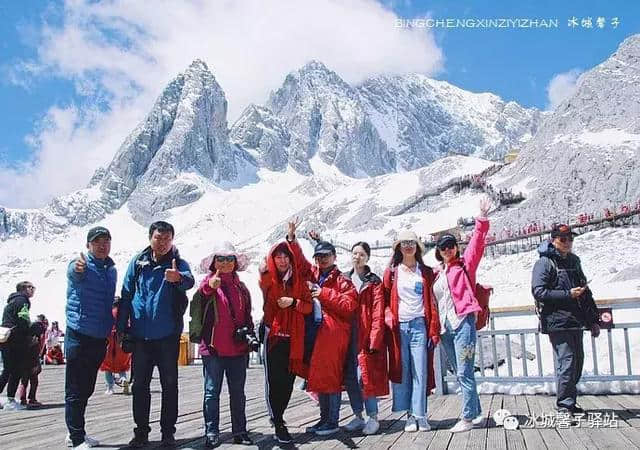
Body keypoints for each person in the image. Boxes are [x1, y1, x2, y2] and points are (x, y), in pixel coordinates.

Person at [117, 221, 194, 448]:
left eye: (167, 238)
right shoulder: (138, 262)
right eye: (158, 238)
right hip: (140, 336)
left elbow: (190, 281)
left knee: (170, 385)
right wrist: (122, 328)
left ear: (172, 240)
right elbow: (126, 294)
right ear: (150, 238)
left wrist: (177, 278)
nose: (162, 243)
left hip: (168, 336)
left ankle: (168, 434)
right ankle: (141, 433)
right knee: (140, 385)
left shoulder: (177, 263)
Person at [287, 220, 358, 436]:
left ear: (334, 257)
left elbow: (349, 306)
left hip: (333, 334)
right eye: (318, 256)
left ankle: (332, 421)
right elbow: (298, 262)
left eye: (326, 256)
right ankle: (324, 419)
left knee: (331, 377)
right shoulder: (314, 274)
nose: (321, 259)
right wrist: (292, 238)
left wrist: (324, 294)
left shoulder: (343, 280)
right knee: (320, 377)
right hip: (318, 333)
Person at [189, 242, 255, 448]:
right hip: (212, 349)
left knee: (238, 393)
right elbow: (199, 300)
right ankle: (211, 432)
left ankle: (240, 431)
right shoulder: (207, 284)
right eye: (221, 259)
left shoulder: (242, 288)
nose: (225, 263)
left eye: (229, 259)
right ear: (213, 262)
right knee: (211, 392)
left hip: (237, 349)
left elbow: (247, 317)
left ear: (235, 263)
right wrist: (211, 286)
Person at [433, 198, 490, 433]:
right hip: (445, 328)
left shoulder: (465, 266)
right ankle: (475, 413)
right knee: (460, 372)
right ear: (438, 251)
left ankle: (466, 418)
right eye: (443, 247)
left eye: (451, 245)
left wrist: (482, 219)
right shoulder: (437, 274)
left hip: (463, 323)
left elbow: (476, 245)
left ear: (456, 248)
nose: (447, 249)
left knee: (465, 372)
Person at [532, 223, 600, 415]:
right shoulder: (544, 263)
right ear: (553, 240)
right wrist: (567, 294)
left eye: (570, 238)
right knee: (567, 362)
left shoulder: (574, 261)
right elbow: (539, 291)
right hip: (556, 321)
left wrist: (593, 320)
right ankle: (564, 405)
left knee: (578, 362)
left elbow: (586, 292)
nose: (568, 242)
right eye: (563, 239)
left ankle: (570, 402)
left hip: (576, 320)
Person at [64, 226, 117, 449]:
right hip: (79, 334)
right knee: (75, 389)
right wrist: (77, 269)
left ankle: (76, 432)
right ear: (88, 245)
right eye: (97, 242)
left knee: (86, 388)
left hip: (99, 337)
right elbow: (73, 272)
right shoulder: (82, 265)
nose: (103, 245)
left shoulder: (111, 270)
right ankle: (76, 439)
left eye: (106, 241)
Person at [382, 231, 440, 432]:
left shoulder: (425, 271)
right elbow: (384, 298)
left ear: (417, 247)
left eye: (412, 243)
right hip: (399, 328)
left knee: (420, 371)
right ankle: (409, 416)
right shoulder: (392, 271)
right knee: (403, 371)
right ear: (399, 247)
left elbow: (434, 299)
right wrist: (389, 316)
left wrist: (433, 329)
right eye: (404, 243)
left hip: (419, 325)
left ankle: (420, 415)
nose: (408, 246)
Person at [259, 237, 312, 444]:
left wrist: (293, 303)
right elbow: (262, 282)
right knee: (274, 381)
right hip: (273, 337)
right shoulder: (267, 278)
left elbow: (307, 306)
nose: (282, 261)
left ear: (291, 260)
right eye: (277, 257)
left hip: (293, 338)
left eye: (285, 257)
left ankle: (279, 416)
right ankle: (278, 420)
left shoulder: (298, 281)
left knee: (288, 382)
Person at [342, 241, 388, 435]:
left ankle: (373, 417)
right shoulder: (344, 279)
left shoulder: (374, 281)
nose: (357, 257)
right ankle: (358, 415)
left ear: (367, 257)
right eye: (354, 253)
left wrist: (374, 338)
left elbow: (378, 312)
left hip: (365, 334)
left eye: (361, 254)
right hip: (346, 334)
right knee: (351, 376)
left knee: (365, 377)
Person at [0, 281, 37, 411]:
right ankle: (10, 399)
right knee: (16, 370)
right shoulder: (23, 301)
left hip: (5, 338)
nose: (33, 290)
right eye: (31, 287)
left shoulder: (12, 301)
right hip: (16, 340)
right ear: (24, 289)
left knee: (7, 369)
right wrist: (32, 330)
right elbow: (23, 320)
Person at [100, 298, 131, 395]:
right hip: (121, 342)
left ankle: (110, 388)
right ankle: (123, 379)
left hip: (109, 341)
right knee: (122, 366)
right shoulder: (124, 314)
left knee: (107, 366)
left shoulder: (109, 312)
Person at [16, 318, 48, 407]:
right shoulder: (35, 340)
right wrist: (36, 365)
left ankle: (23, 399)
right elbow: (34, 354)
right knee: (33, 382)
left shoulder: (25, 338)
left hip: (23, 363)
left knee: (24, 382)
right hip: (31, 364)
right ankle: (31, 398)